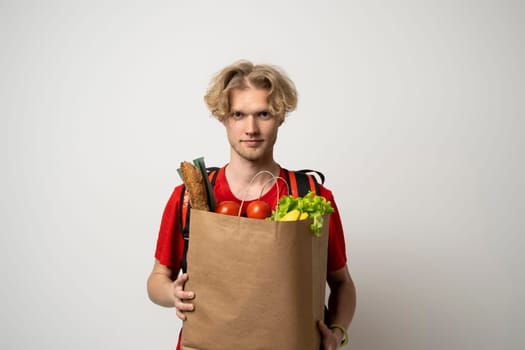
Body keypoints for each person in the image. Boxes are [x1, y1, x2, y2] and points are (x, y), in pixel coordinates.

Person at [147, 60, 357, 349]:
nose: (251, 128)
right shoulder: (187, 198)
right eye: (238, 114)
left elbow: (342, 284)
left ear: (281, 117)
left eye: (264, 114)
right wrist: (172, 294)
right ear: (223, 118)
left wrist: (337, 331)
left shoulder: (312, 197)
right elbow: (158, 278)